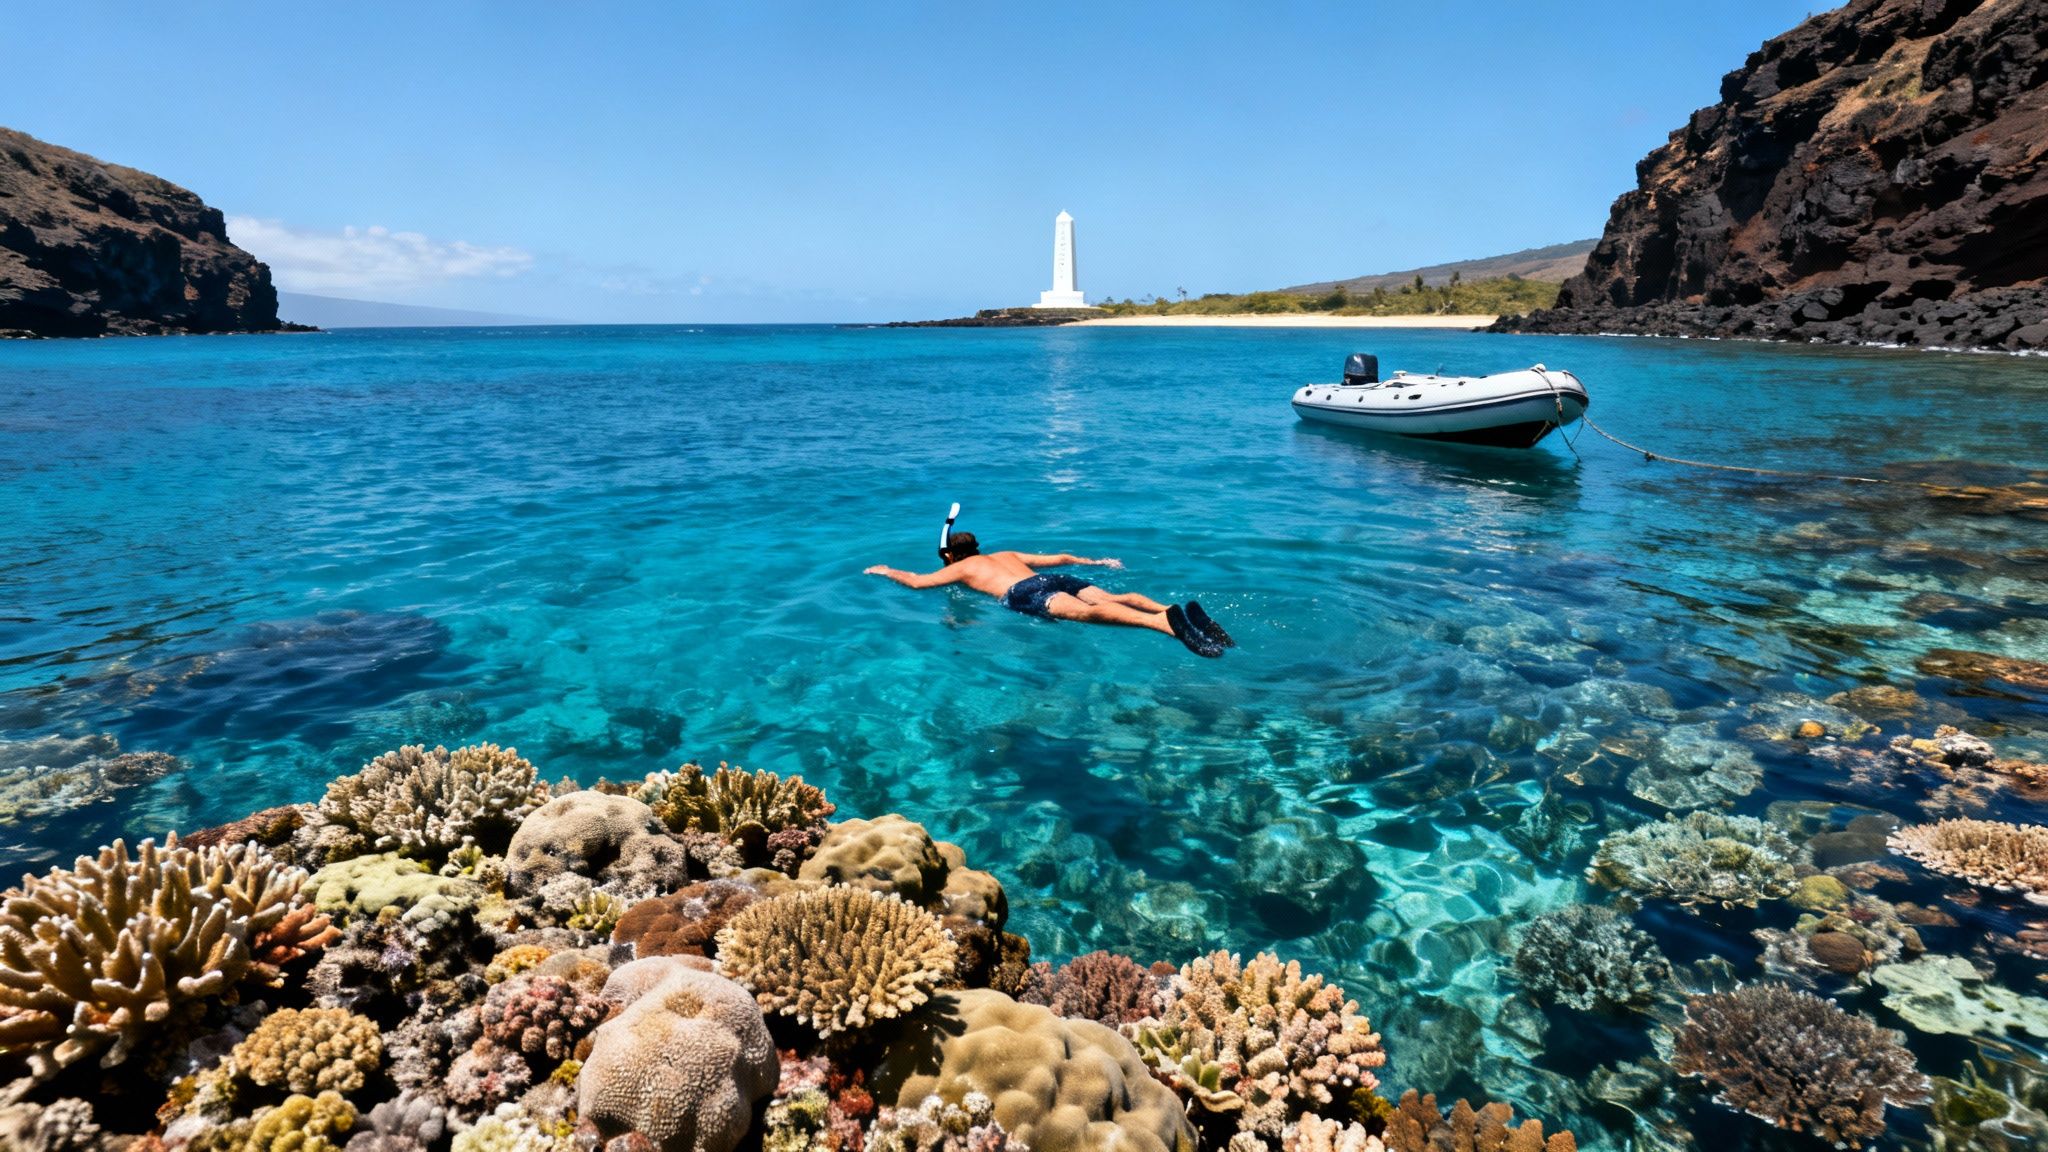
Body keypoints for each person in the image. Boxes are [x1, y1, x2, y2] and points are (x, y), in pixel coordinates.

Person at [864, 529, 1235, 657]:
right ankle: (1169, 609)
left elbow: (915, 581)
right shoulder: (1004, 554)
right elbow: (1058, 557)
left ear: (951, 556)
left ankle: (1167, 625)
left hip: (1023, 592)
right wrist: (1097, 562)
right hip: (1054, 579)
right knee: (1110, 599)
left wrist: (886, 570)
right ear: (978, 546)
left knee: (1085, 615)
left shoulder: (961, 568)